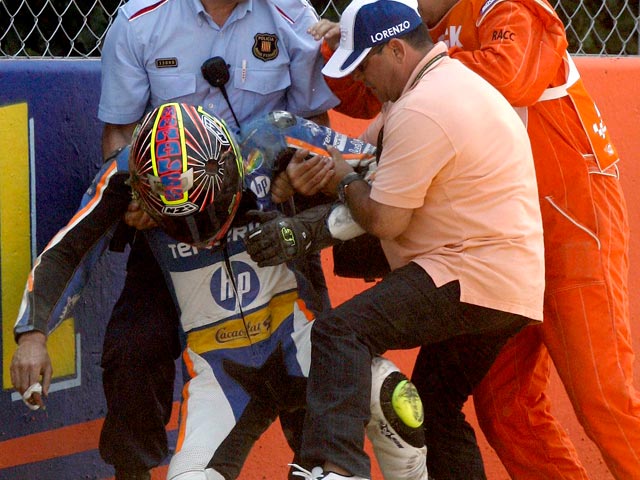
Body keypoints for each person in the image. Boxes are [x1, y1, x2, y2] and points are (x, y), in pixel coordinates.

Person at [10, 104, 429, 480]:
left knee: (393, 398)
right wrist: (32, 334)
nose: (201, 230)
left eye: (210, 209)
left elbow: (388, 183)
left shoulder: (272, 138)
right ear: (144, 194)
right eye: (179, 221)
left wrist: (306, 227)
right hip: (220, 374)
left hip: (301, 344)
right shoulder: (125, 176)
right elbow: (69, 249)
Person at [311, 1, 640, 477]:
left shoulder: (505, 8)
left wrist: (427, 58)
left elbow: (511, 77)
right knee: (506, 409)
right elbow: (366, 94)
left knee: (602, 398)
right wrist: (344, 45)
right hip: (497, 236)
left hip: (572, 220)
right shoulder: (417, 39)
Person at [246, 0, 545, 478]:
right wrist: (317, 179)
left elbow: (383, 218)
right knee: (437, 409)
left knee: (340, 331)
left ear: (397, 51)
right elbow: (365, 165)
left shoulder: (422, 106)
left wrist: (341, 182)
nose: (360, 79)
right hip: (509, 284)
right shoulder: (439, 85)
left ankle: (336, 468)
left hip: (469, 272)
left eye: (364, 66)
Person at [96, 0, 339, 476]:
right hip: (170, 229)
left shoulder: (293, 16)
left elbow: (316, 128)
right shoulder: (139, 22)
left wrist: (299, 172)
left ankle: (320, 466)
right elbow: (118, 134)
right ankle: (133, 471)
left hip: (268, 221)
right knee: (131, 352)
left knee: (315, 359)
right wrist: (139, 196)